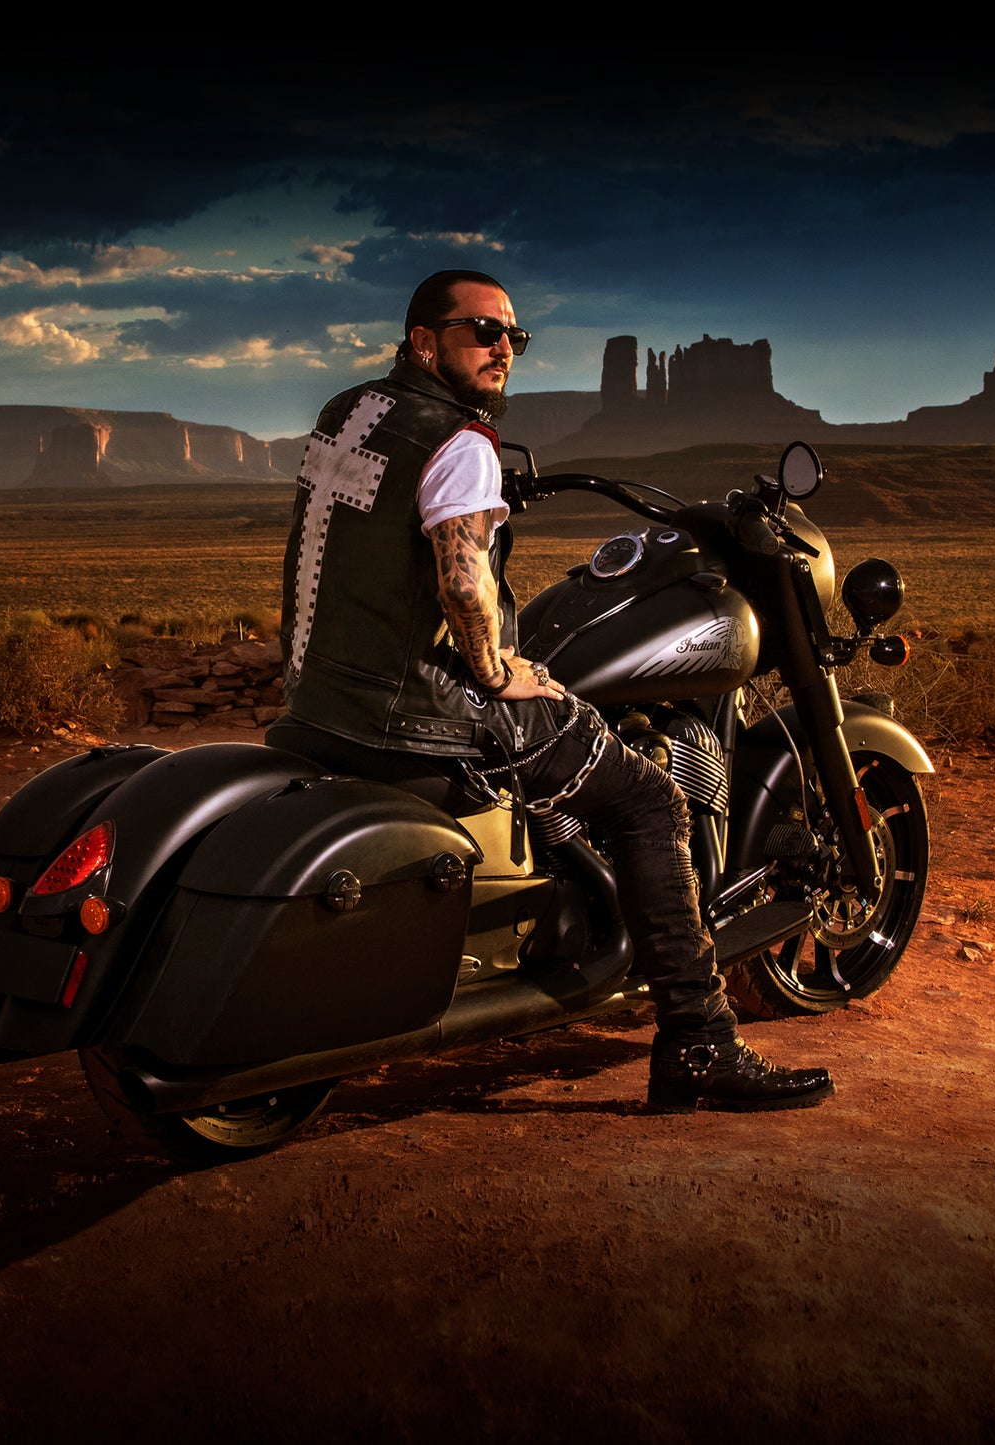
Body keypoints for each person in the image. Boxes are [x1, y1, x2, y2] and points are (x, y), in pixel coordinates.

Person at [268, 269, 833, 1112]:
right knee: (647, 801)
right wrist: (496, 669)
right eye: (480, 332)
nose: (502, 348)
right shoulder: (460, 443)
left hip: (320, 700)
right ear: (424, 342)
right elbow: (463, 587)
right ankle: (698, 1039)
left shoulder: (348, 413)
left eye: (513, 336)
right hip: (420, 719)